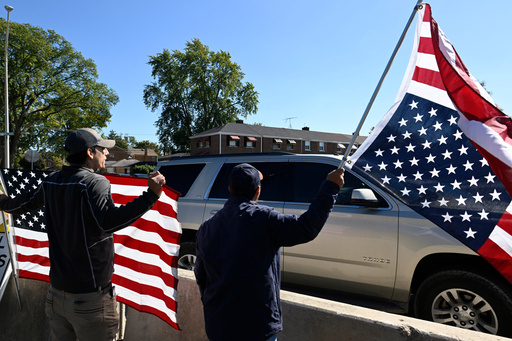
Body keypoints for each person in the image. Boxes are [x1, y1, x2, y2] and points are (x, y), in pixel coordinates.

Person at [0, 128, 166, 341]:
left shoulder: (51, 181)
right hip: (90, 301)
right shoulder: (95, 183)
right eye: (102, 149)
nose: (106, 153)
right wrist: (150, 196)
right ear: (90, 153)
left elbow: (21, 204)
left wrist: (3, 201)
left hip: (57, 295)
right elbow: (108, 222)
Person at [194, 163, 345, 341]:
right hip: (256, 326)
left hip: (218, 324)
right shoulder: (264, 219)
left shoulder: (206, 227)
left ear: (229, 189)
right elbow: (306, 227)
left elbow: (200, 275)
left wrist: (214, 306)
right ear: (258, 190)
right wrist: (331, 186)